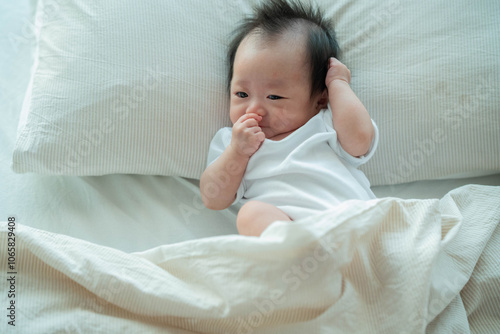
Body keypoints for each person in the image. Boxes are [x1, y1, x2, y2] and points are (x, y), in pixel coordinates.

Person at [200, 0, 379, 237]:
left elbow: (359, 141)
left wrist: (338, 83)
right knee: (251, 215)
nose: (254, 109)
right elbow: (213, 198)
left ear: (319, 99)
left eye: (274, 96)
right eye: (241, 94)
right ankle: (301, 256)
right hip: (294, 238)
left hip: (355, 225)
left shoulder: (326, 123)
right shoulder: (233, 142)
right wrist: (237, 152)